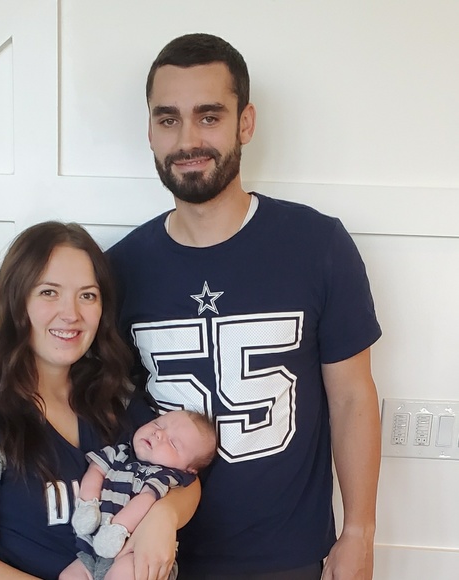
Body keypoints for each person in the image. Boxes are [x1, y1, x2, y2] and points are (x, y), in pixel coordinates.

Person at [107, 33, 382, 580]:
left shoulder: (317, 245)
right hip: (155, 555)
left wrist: (359, 532)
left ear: (245, 123)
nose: (188, 139)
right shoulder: (118, 269)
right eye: (168, 119)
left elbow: (353, 396)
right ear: (150, 131)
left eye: (209, 116)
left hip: (289, 557)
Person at [0, 221, 200, 580]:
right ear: (17, 300)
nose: (71, 313)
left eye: (87, 295)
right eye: (49, 292)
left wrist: (164, 516)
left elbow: (185, 477)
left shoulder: (115, 396)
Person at [71, 410, 217, 580]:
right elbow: (95, 470)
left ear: (188, 470)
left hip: (138, 554)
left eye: (173, 443)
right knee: (70, 575)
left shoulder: (166, 476)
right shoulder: (120, 452)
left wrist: (118, 527)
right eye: (158, 424)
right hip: (93, 551)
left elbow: (146, 499)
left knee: (123, 573)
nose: (158, 434)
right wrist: (88, 505)